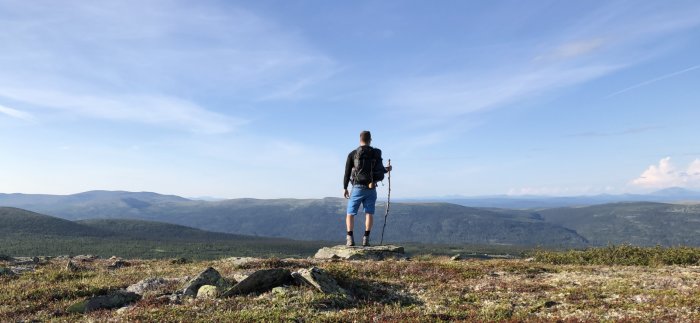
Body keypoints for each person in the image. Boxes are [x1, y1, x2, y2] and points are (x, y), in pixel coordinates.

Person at [343, 130, 392, 246]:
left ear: (360, 139)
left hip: (357, 187)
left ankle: (349, 238)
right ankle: (366, 238)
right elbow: (380, 169)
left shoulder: (353, 154)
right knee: (369, 213)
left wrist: (345, 187)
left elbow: (347, 172)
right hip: (371, 187)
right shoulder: (375, 153)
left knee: (350, 213)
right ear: (370, 140)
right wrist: (387, 169)